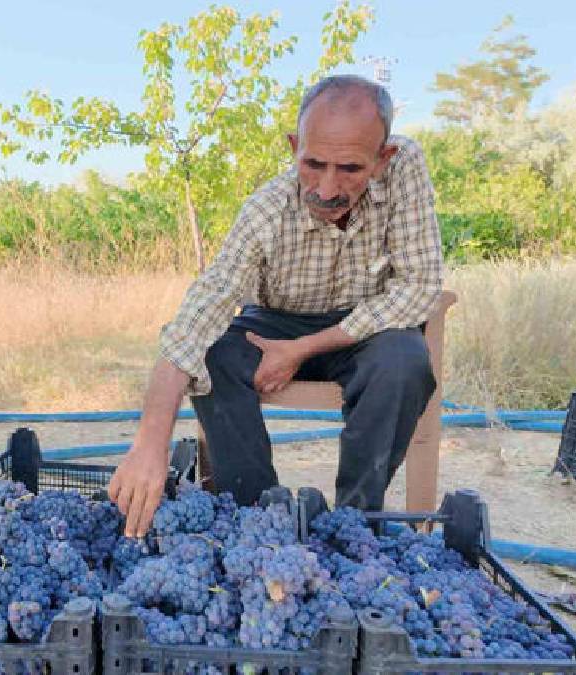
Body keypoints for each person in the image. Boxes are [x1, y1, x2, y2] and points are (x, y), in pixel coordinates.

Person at [107, 74, 444, 537]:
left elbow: (419, 287)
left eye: (350, 169)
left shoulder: (405, 166)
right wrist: (151, 440)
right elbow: (198, 315)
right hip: (276, 323)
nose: (326, 189)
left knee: (405, 359)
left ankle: (357, 525)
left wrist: (304, 348)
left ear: (382, 159)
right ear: (294, 147)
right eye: (313, 164)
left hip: (366, 328)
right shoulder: (267, 209)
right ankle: (258, 520)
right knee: (214, 353)